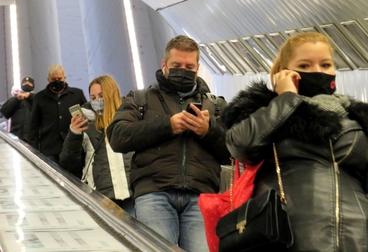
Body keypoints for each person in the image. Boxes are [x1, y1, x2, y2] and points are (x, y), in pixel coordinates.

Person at [222, 32, 368, 251]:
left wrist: (366, 210)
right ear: (283, 71)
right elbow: (239, 145)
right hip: (286, 238)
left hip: (355, 241)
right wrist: (286, 99)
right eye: (304, 66)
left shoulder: (360, 119)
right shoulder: (262, 110)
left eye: (325, 65)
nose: (317, 71)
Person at [107, 35, 230, 252]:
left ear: (198, 68)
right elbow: (117, 136)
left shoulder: (216, 105)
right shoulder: (140, 98)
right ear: (164, 65)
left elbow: (234, 150)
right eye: (176, 65)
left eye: (189, 66)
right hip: (154, 191)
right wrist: (168, 126)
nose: (183, 70)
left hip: (201, 195)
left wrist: (207, 131)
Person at [59, 75, 133, 212]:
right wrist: (74, 134)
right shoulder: (87, 125)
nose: (97, 101)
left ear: (111, 94)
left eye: (101, 95)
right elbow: (68, 164)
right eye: (93, 98)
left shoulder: (131, 117)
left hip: (134, 194)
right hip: (102, 197)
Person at [30, 64, 87, 163]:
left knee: (74, 178)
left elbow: (87, 118)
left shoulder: (77, 94)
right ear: (48, 80)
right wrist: (34, 152)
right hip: (49, 150)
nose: (57, 81)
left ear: (65, 78)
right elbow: (33, 127)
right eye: (53, 79)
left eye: (59, 78)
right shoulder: (39, 98)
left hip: (74, 147)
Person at [0, 76, 35, 142]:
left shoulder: (37, 99)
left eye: (29, 83)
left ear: (33, 86)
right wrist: (17, 99)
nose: (27, 85)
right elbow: (4, 112)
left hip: (33, 139)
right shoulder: (15, 100)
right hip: (17, 138)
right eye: (24, 83)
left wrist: (29, 96)